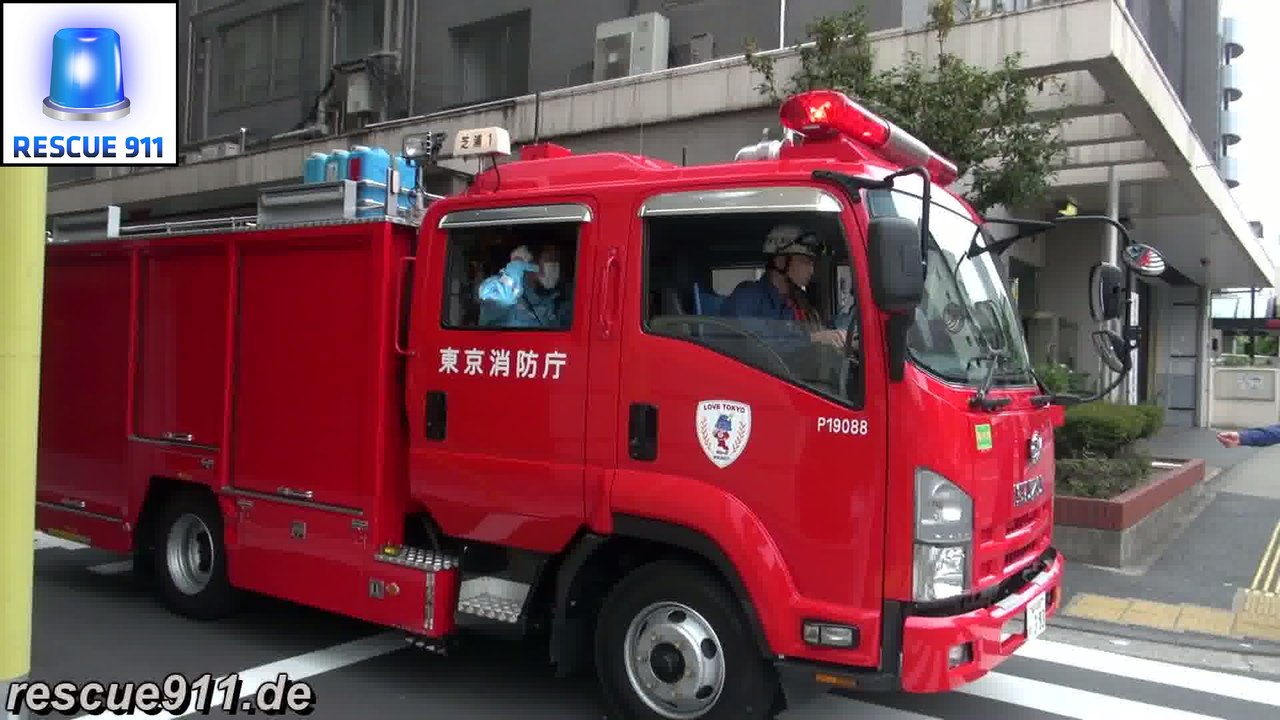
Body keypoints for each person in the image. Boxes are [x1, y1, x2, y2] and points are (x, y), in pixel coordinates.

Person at [719, 224, 849, 350]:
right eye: (805, 262)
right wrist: (811, 338)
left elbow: (817, 332)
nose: (811, 271)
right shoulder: (748, 296)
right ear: (781, 262)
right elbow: (753, 343)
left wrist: (839, 337)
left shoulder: (797, 303)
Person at [477, 244, 570, 328]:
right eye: (550, 260)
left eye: (557, 261)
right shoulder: (505, 294)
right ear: (529, 266)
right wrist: (513, 272)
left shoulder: (556, 298)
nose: (555, 268)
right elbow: (493, 294)